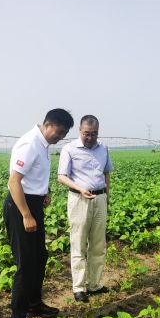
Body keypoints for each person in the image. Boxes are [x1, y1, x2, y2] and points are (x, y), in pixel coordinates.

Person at [3, 108, 74, 318]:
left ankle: (33, 305)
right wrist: (26, 214)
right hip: (20, 207)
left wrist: (44, 193)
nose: (60, 137)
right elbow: (14, 181)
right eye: (60, 132)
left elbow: (34, 177)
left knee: (39, 257)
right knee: (26, 264)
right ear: (48, 124)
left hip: (33, 203)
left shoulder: (42, 145)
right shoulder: (30, 143)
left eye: (64, 134)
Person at [58, 115, 113, 303]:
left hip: (99, 198)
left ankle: (95, 284)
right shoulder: (69, 149)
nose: (90, 137)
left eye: (94, 134)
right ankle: (79, 287)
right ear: (80, 131)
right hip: (79, 198)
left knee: (98, 244)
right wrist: (80, 189)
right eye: (87, 134)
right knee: (78, 243)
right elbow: (62, 177)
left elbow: (106, 174)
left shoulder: (103, 148)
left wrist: (107, 197)